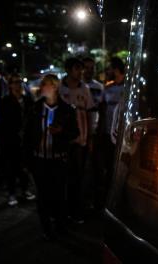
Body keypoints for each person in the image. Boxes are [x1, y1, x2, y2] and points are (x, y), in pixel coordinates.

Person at [23, 74, 79, 239]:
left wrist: (61, 132)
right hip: (39, 160)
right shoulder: (35, 108)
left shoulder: (67, 109)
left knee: (60, 195)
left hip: (58, 160)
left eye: (45, 85)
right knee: (42, 196)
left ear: (54, 87)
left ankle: (61, 226)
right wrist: (26, 160)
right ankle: (46, 228)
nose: (42, 88)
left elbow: (75, 133)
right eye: (42, 85)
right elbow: (26, 136)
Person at [60, 57, 94, 223]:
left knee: (77, 177)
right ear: (68, 70)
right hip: (62, 142)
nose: (81, 72)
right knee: (61, 177)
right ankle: (61, 210)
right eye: (77, 69)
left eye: (82, 69)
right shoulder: (59, 89)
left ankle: (75, 211)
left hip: (80, 141)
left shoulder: (85, 89)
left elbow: (89, 114)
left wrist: (90, 139)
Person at [0, 73, 35, 206]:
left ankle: (25, 189)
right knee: (11, 167)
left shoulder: (27, 100)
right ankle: (12, 193)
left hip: (26, 139)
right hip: (11, 139)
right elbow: (5, 121)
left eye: (19, 82)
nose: (17, 85)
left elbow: (32, 118)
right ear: (10, 85)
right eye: (14, 82)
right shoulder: (6, 101)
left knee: (25, 166)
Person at [96, 57, 125, 208]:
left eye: (110, 69)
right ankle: (107, 199)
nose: (108, 71)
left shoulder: (127, 88)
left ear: (116, 69)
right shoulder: (107, 88)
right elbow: (102, 110)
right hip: (107, 135)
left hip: (122, 136)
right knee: (108, 166)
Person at [82, 57, 104, 208]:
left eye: (92, 68)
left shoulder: (100, 87)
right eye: (87, 67)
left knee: (95, 167)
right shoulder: (78, 87)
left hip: (96, 133)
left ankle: (94, 199)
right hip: (81, 133)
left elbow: (102, 109)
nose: (90, 71)